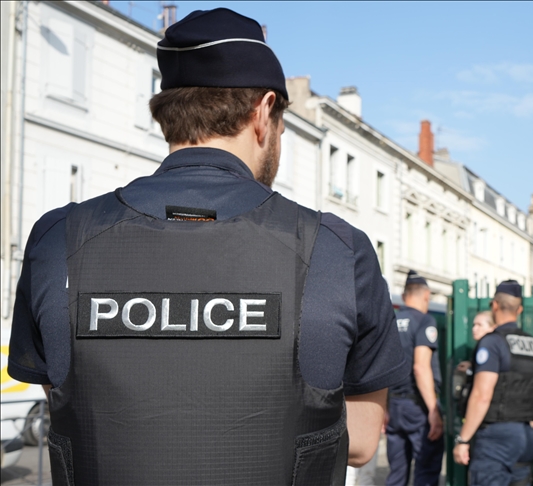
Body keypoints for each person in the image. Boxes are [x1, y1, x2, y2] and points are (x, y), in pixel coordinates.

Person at [7, 8, 407, 485]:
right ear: (263, 112)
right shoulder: (338, 250)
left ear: (166, 115)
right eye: (281, 124)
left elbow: (68, 405)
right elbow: (361, 443)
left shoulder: (58, 240)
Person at [453, 280, 533, 486]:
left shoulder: (492, 342)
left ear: (494, 305)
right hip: (525, 434)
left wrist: (463, 440)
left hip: (496, 437)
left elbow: (482, 395)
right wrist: (525, 425)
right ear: (520, 309)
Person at [386, 270, 444, 486]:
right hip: (417, 406)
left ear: (404, 295)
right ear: (426, 295)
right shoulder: (424, 320)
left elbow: (383, 365)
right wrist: (433, 410)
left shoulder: (391, 321)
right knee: (426, 471)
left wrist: (384, 407)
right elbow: (420, 367)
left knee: (397, 473)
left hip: (394, 405)